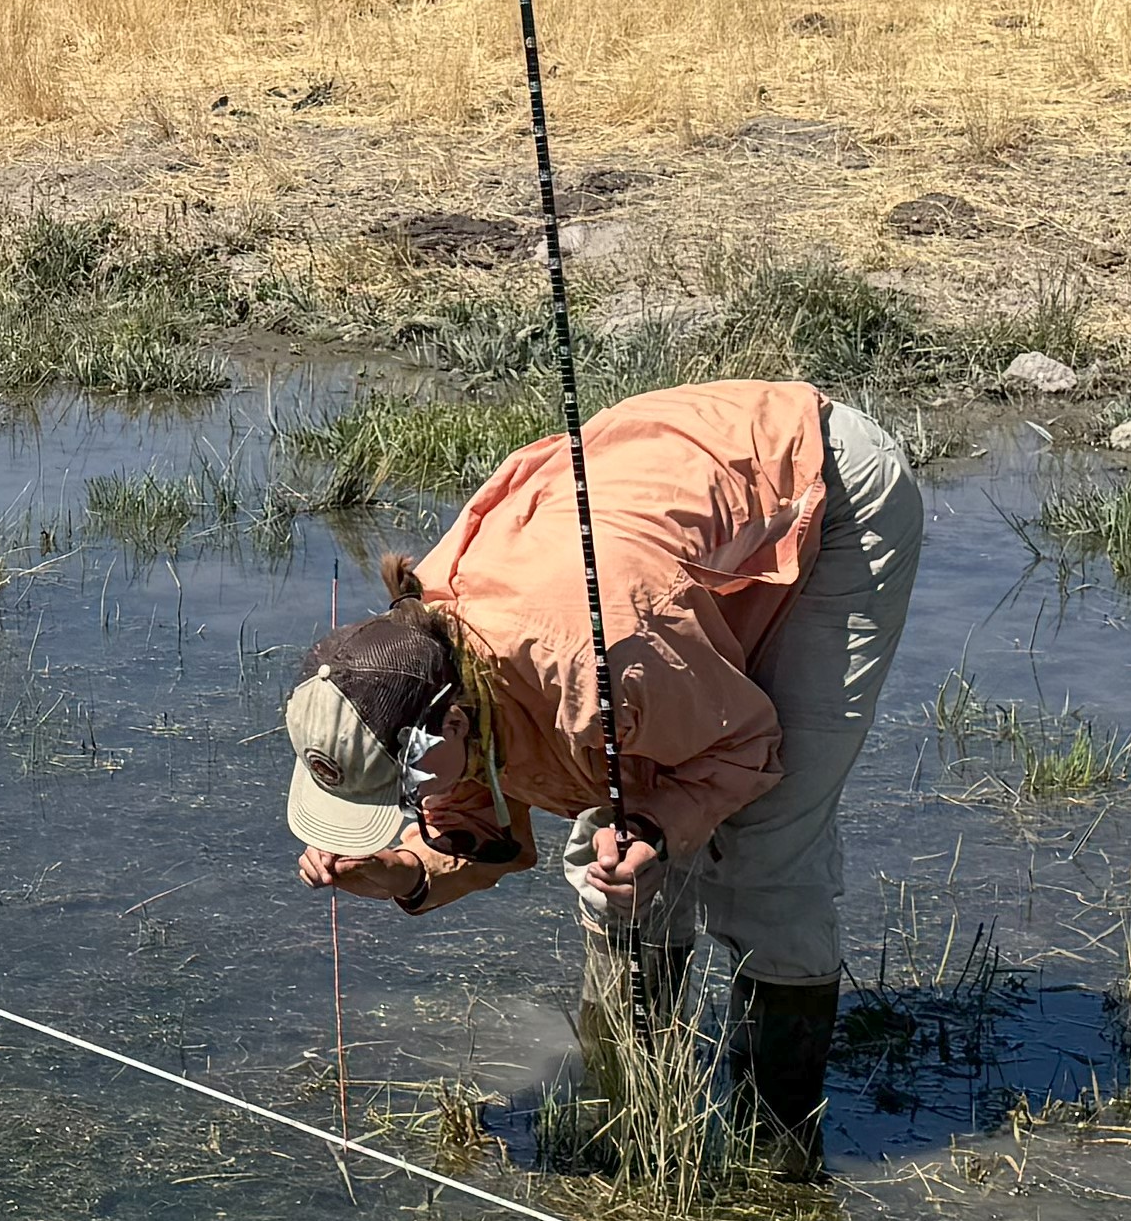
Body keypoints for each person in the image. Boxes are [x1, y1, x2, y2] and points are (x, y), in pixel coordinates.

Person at [280, 375, 921, 1177]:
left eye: (399, 793)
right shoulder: (427, 662)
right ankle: (635, 1111)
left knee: (763, 843)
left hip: (820, 491)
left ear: (446, 723)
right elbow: (482, 812)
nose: (411, 807)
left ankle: (778, 1149)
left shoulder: (593, 662)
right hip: (656, 535)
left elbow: (742, 749)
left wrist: (655, 827)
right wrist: (402, 868)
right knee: (616, 838)